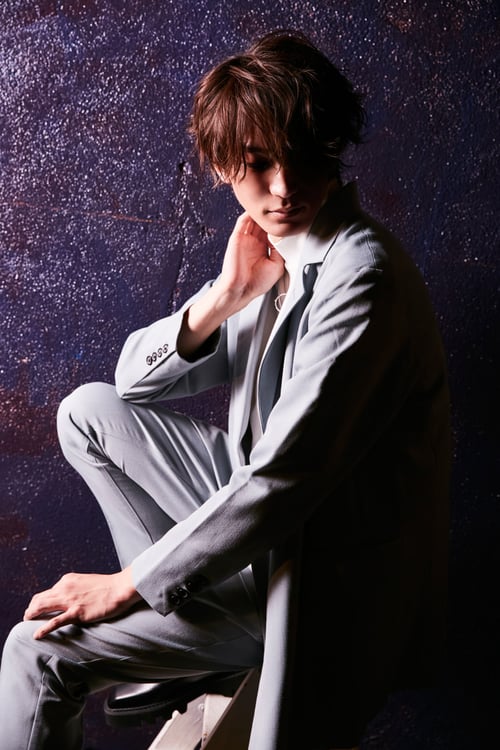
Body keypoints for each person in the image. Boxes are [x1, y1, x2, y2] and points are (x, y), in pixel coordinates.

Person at [0, 30, 451, 750]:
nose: (284, 187)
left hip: (319, 577)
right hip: (265, 538)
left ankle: (175, 610)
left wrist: (127, 584)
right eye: (259, 163)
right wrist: (227, 295)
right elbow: (132, 382)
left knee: (36, 651)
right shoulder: (275, 256)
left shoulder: (361, 279)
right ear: (221, 166)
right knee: (87, 413)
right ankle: (183, 624)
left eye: (303, 157)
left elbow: (281, 478)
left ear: (333, 148)